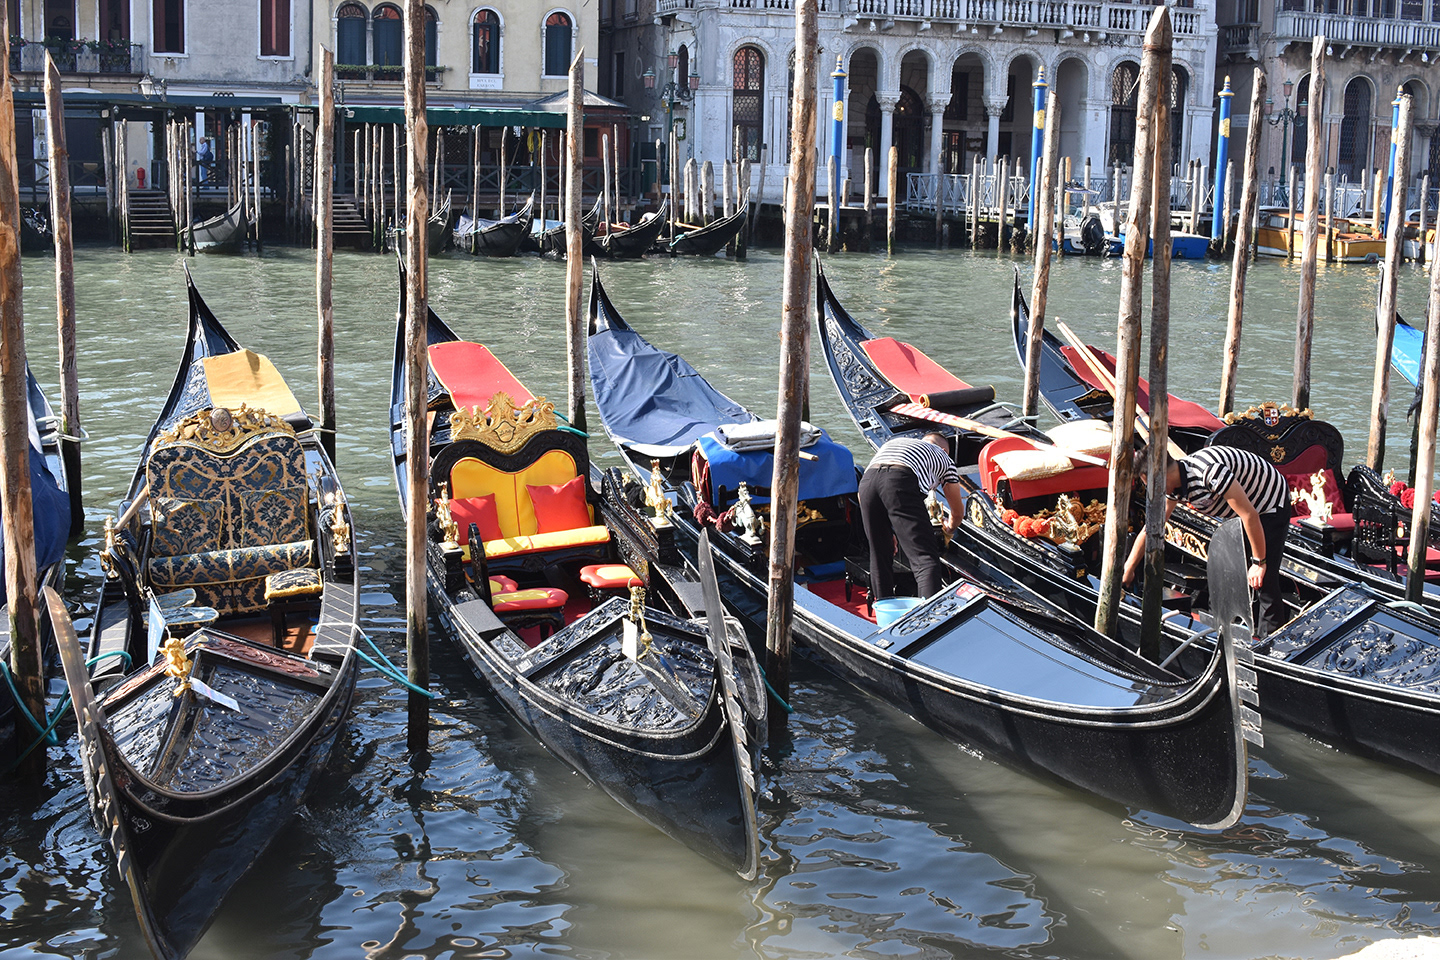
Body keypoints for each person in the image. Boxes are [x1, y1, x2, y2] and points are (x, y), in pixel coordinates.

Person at [1124, 444, 1292, 633]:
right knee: (1226, 570)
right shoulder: (1172, 486)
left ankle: (1271, 637)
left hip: (1269, 503)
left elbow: (1250, 515)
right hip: (1241, 510)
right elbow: (1152, 528)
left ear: (1160, 477)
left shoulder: (1210, 473)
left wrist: (1259, 563)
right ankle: (1222, 630)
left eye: (1149, 484)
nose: (1150, 490)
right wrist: (1129, 568)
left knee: (1264, 580)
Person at [858, 431, 967, 603]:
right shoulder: (944, 458)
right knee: (925, 559)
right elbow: (958, 511)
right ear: (944, 450)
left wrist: (888, 531)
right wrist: (949, 528)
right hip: (900, 480)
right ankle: (929, 616)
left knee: (880, 554)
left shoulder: (896, 443)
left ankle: (884, 611)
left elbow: (866, 492)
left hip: (867, 484)